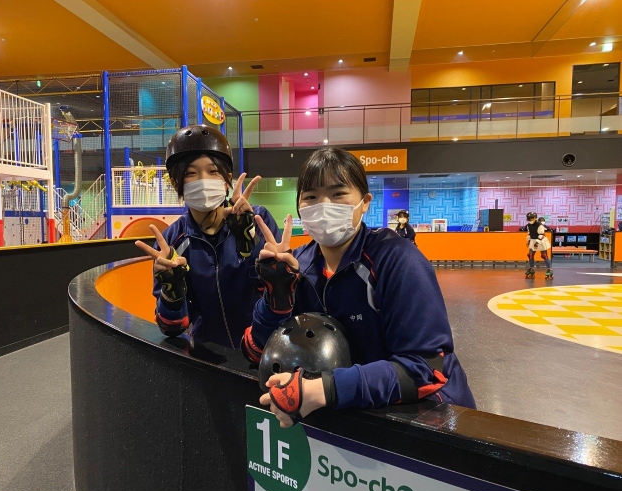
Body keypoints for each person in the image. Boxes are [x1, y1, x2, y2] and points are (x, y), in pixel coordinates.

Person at [241, 147, 476, 428]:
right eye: (311, 197)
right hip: (353, 417)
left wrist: (328, 388)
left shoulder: (397, 260)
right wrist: (276, 296)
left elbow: (426, 368)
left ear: (365, 202)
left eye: (338, 194)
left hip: (426, 420)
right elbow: (256, 350)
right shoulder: (298, 265)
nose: (324, 205)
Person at [135, 125, 281, 350]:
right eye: (191, 173)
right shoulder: (171, 240)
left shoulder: (258, 221)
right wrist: (172, 292)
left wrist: (252, 242)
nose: (203, 180)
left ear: (227, 179)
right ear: (176, 183)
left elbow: (280, 297)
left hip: (262, 349)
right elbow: (172, 328)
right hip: (207, 357)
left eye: (213, 171)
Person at [524, 211, 553, 280]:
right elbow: (529, 233)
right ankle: (531, 268)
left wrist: (537, 242)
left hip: (541, 241)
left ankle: (549, 269)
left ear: (535, 218)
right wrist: (529, 241)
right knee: (530, 255)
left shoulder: (539, 225)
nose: (530, 220)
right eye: (529, 218)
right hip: (533, 240)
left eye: (532, 218)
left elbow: (541, 235)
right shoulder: (528, 225)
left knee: (544, 255)